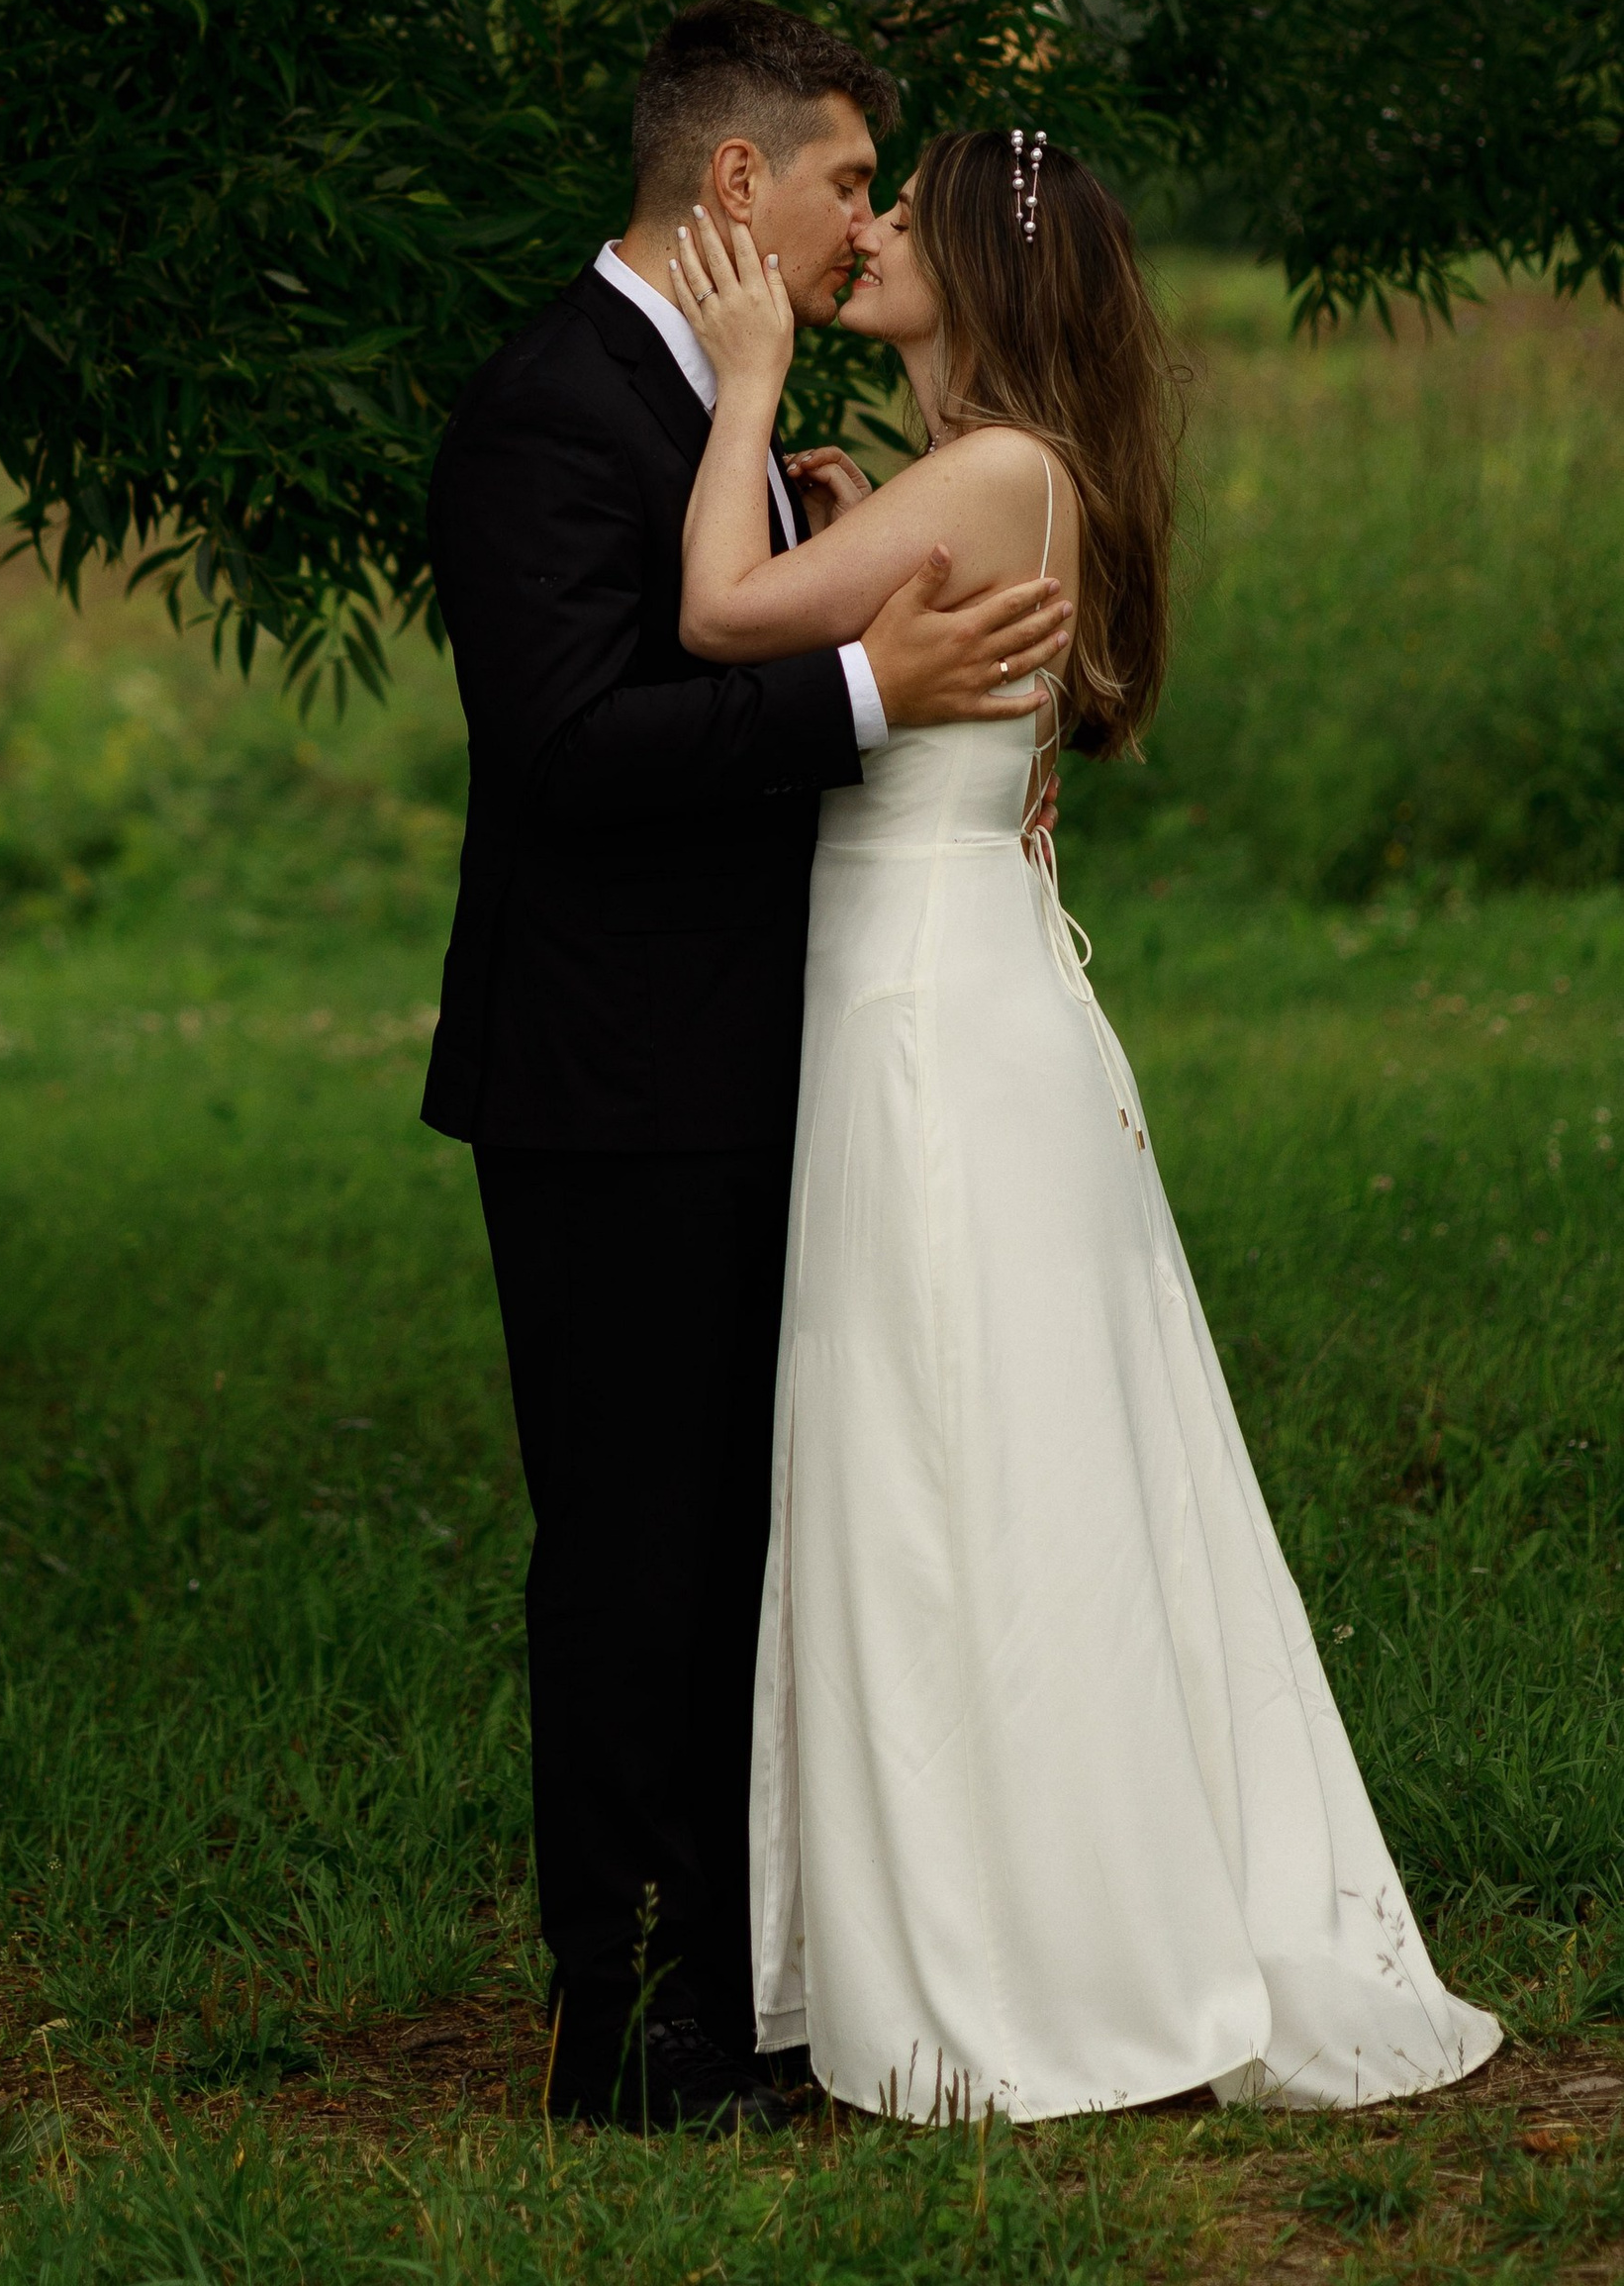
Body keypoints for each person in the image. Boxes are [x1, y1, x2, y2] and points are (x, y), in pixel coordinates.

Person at [668, 127, 1499, 2120]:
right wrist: (853, 508)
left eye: (894, 212)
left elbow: (715, 614)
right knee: (974, 1443)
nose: (858, 233)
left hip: (926, 1015)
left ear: (973, 263)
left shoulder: (995, 470)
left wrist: (751, 390)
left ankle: (1031, 1938)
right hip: (958, 984)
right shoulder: (1004, 476)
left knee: (951, 1450)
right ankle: (1015, 1898)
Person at [422, 1, 1073, 2130]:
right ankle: (618, 2030)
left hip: (795, 1061)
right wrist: (869, 694)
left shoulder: (731, 406)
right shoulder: (550, 408)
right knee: (633, 1550)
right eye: (836, 186)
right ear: (731, 184)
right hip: (609, 1087)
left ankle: (746, 1987)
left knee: (758, 1543)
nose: (857, 223)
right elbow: (569, 751)